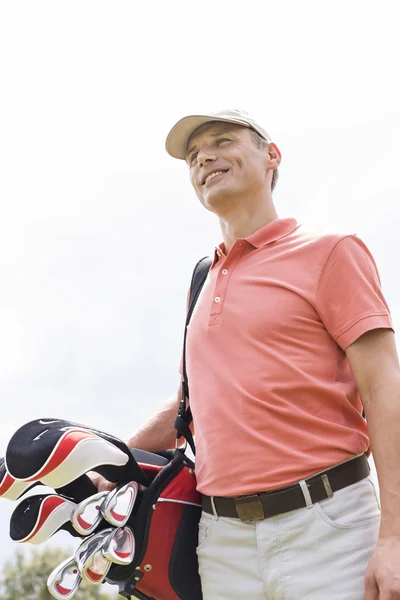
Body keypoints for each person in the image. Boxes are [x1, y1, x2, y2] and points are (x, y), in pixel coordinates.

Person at [92, 109, 400, 599]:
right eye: (193, 156)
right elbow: (190, 407)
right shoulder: (202, 280)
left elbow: (385, 393)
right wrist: (107, 460)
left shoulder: (331, 251)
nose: (204, 157)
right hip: (222, 543)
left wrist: (395, 537)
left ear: (271, 156)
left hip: (331, 526)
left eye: (220, 141)